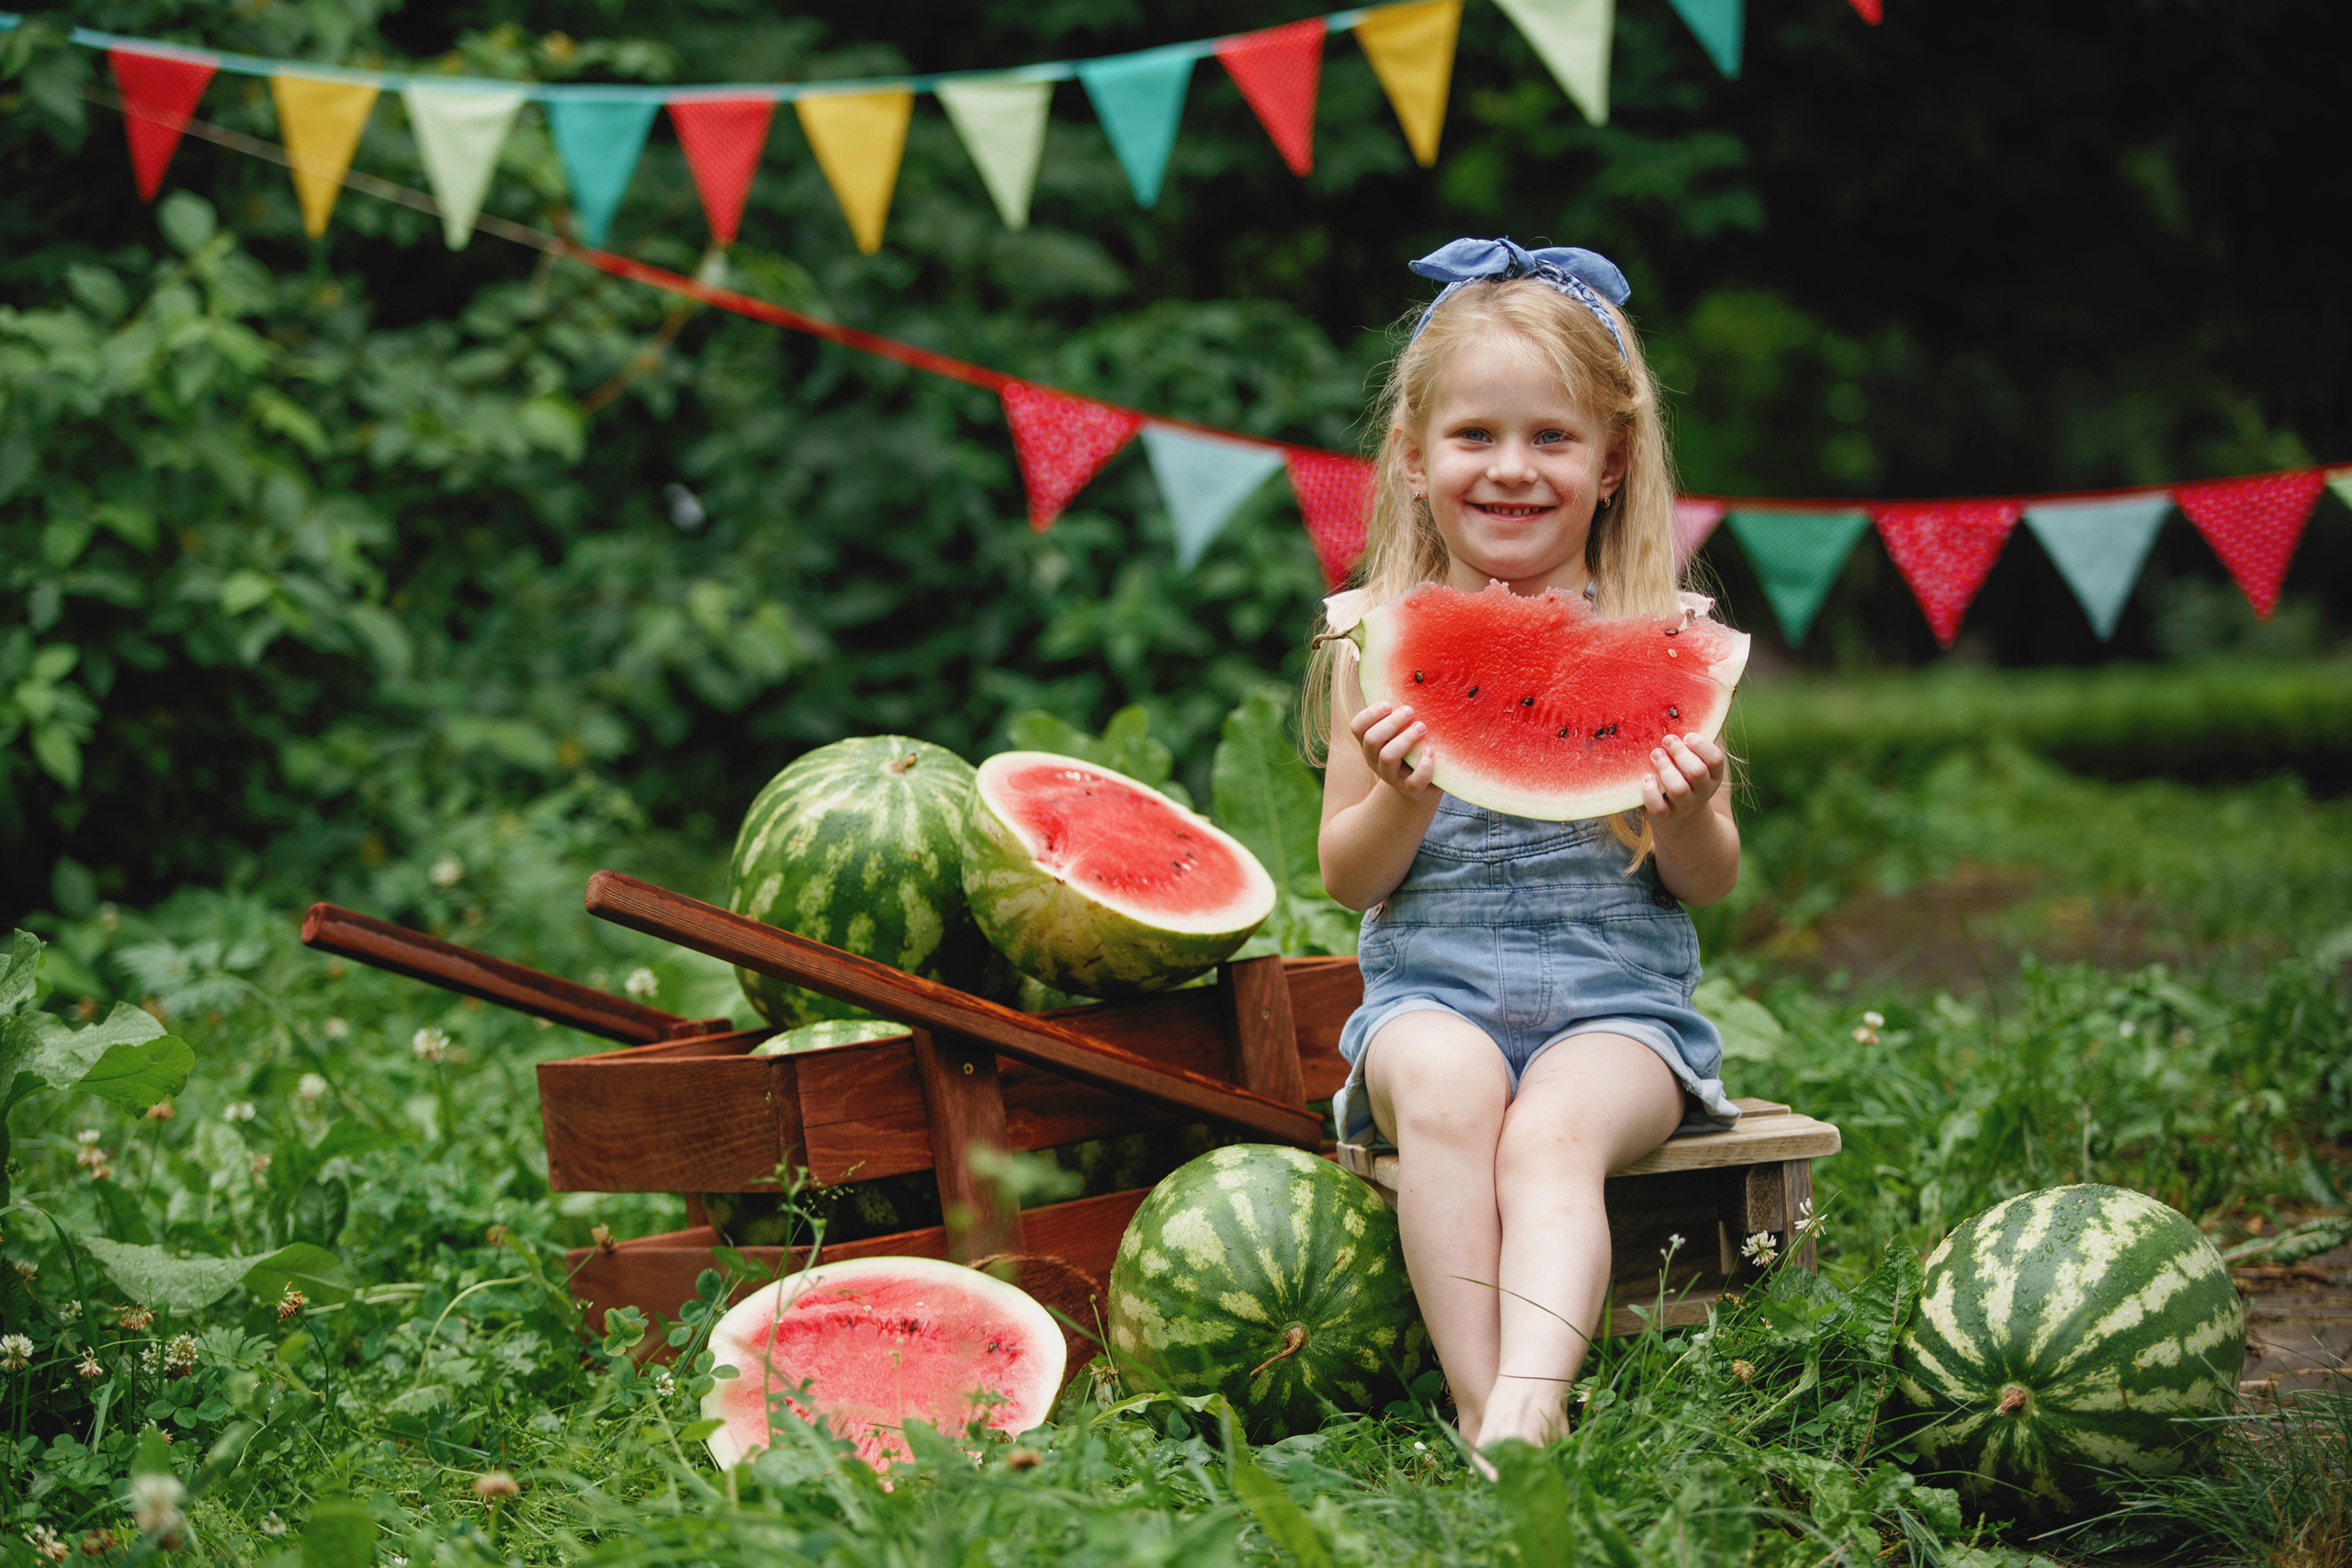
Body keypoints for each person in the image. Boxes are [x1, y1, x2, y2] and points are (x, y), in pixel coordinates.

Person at [1306, 238, 1742, 1455]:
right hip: (1430, 1001)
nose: (1511, 468)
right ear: (1413, 457)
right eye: (1475, 436)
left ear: (1613, 462)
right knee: (1450, 1094)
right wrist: (1403, 797)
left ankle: (1530, 1402)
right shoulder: (1370, 645)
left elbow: (1709, 881)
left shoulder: (1668, 641)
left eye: (1552, 437)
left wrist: (1688, 812)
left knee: (1552, 1134)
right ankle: (1484, 1412)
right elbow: (1347, 876)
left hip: (1620, 1016)